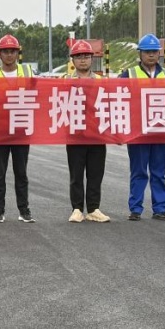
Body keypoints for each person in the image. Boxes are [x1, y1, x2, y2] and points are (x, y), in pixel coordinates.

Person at [118, 34, 165, 221]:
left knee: (159, 172)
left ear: (159, 54)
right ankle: (135, 209)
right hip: (138, 132)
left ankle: (160, 208)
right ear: (140, 54)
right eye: (147, 52)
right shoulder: (129, 74)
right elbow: (119, 98)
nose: (151, 55)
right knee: (139, 171)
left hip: (160, 131)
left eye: (154, 52)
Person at [0, 34, 35, 224]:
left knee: (21, 173)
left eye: (12, 51)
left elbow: (39, 93)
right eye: (5, 51)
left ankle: (24, 210)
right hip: (0, 131)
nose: (9, 55)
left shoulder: (27, 71)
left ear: (17, 53)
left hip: (21, 129)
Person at [64, 41, 109, 223]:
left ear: (92, 59)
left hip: (97, 134)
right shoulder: (65, 81)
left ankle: (93, 208)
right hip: (75, 134)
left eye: (86, 56)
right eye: (79, 56)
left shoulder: (101, 81)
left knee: (95, 173)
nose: (83, 60)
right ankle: (76, 209)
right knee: (76, 174)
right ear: (73, 60)